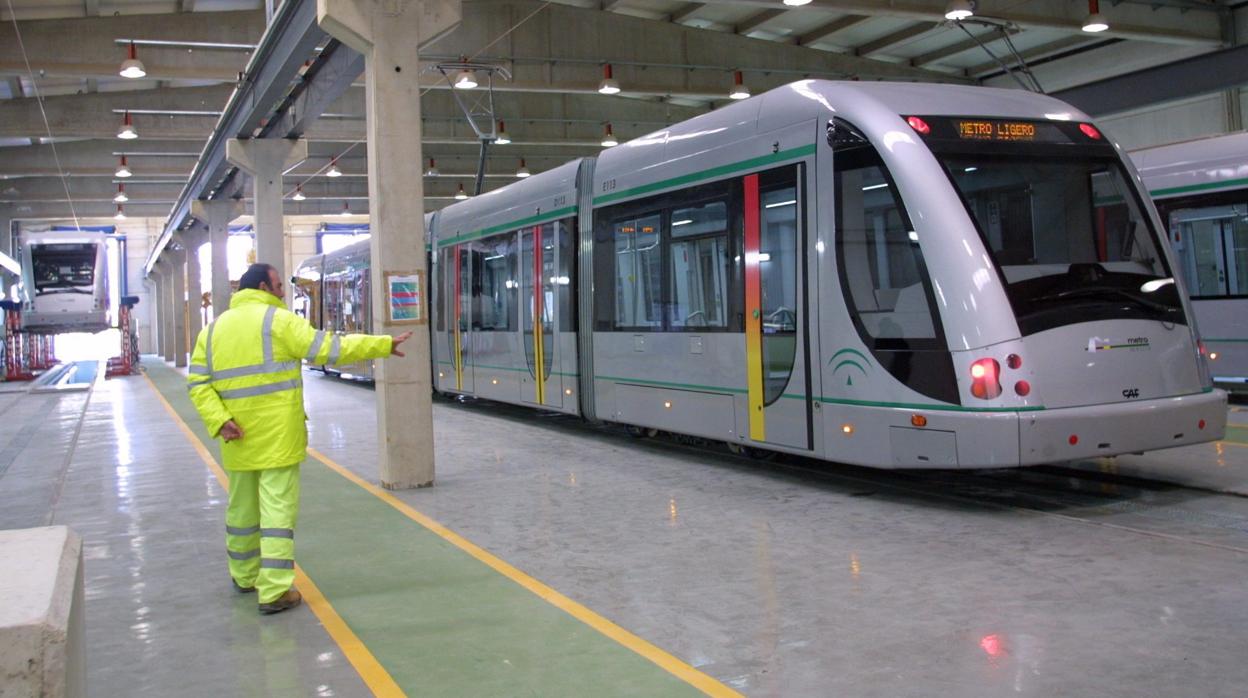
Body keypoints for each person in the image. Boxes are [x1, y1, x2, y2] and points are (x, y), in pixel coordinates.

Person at [187, 262, 412, 614]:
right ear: (263, 286)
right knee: (277, 511)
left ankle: (244, 576)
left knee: (241, 509)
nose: (282, 291)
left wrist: (220, 420)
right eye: (278, 285)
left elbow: (198, 382)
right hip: (277, 436)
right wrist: (381, 345)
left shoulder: (212, 331)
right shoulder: (278, 322)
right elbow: (329, 349)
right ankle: (275, 590)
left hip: (236, 438)